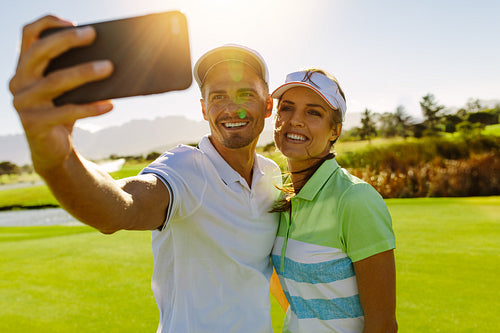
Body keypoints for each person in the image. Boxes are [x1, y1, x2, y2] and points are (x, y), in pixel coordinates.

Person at [9, 15, 283, 332]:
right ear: (204, 109)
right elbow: (121, 207)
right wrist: (57, 158)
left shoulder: (271, 174)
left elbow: (261, 266)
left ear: (267, 105)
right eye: (218, 96)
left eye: (246, 94)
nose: (231, 108)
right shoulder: (185, 169)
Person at [269, 69, 397, 332]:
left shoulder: (355, 199)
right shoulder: (278, 197)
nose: (295, 120)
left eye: (313, 112)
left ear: (334, 130)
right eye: (287, 108)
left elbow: (383, 324)